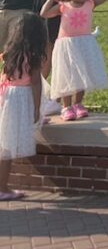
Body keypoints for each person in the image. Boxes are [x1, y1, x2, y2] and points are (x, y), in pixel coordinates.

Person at [40, 0, 108, 120]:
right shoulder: (63, 7)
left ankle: (78, 103)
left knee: (81, 74)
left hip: (84, 43)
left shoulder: (90, 3)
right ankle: (66, 106)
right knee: (67, 75)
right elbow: (44, 13)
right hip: (66, 45)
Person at [0, 11, 47, 200]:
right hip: (20, 99)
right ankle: (2, 188)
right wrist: (36, 108)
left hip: (6, 96)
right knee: (8, 148)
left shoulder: (9, 53)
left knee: (3, 143)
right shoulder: (33, 56)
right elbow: (35, 82)